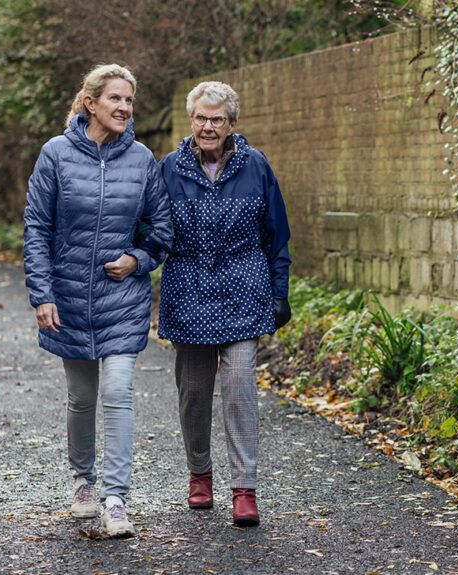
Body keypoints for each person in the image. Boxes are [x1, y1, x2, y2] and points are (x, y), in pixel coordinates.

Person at [23, 64, 172, 538]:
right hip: (67, 298)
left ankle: (116, 499)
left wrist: (137, 259)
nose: (125, 108)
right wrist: (41, 294)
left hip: (122, 299)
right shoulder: (56, 155)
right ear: (91, 103)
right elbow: (37, 230)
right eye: (116, 99)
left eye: (130, 100)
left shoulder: (143, 160)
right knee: (82, 397)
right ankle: (83, 483)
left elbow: (162, 230)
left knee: (117, 393)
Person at [158, 81, 291, 527]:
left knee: (239, 388)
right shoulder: (169, 169)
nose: (208, 126)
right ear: (190, 119)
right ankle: (200, 475)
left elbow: (277, 235)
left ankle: (244, 488)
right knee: (193, 393)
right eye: (200, 118)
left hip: (243, 292)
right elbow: (152, 231)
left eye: (217, 119)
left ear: (232, 123)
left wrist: (279, 291)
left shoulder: (256, 167)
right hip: (188, 291)